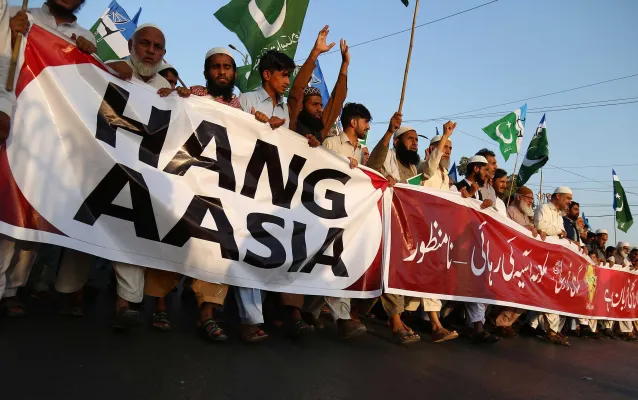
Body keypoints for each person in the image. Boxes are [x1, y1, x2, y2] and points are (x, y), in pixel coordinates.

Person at [54, 23, 172, 330]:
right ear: (132, 44)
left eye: (157, 47)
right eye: (144, 43)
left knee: (132, 235)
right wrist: (105, 70)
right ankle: (73, 295)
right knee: (85, 230)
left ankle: (125, 304)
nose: (150, 51)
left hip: (139, 175)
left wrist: (180, 99)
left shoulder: (167, 89)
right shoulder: (109, 69)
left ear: (163, 53)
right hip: (100, 166)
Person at [0, 0, 98, 318]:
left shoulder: (85, 37)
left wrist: (89, 56)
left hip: (54, 139)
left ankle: (13, 290)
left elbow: (93, 86)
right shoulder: (19, 14)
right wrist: (9, 33)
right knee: (7, 210)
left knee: (33, 218)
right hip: (14, 123)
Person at [141, 47, 247, 342]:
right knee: (173, 240)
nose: (222, 72)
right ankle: (160, 305)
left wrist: (265, 125)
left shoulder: (240, 111)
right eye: (216, 67)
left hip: (218, 190)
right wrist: (171, 97)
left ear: (234, 73)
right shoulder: (193, 95)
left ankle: (207, 314)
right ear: (206, 72)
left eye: (227, 67)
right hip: (185, 183)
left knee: (217, 251)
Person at [362, 111, 421, 344]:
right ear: (397, 142)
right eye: (410, 139)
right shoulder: (388, 156)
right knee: (389, 270)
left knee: (389, 272)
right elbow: (373, 165)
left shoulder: (414, 169)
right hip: (381, 222)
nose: (414, 143)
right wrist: (389, 130)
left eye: (416, 140)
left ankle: (358, 312)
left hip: (402, 227)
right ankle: (396, 322)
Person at [451, 155, 499, 344]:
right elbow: (453, 209)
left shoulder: (480, 193)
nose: (488, 174)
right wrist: (469, 196)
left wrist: (485, 208)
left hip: (472, 247)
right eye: (486, 170)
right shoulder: (457, 186)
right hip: (454, 245)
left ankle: (476, 327)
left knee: (476, 285)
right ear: (476, 169)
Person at [527, 186, 574, 346]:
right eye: (567, 198)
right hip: (541, 257)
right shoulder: (544, 208)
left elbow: (561, 234)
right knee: (548, 293)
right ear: (558, 196)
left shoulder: (559, 215)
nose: (569, 202)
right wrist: (558, 231)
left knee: (549, 293)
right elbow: (541, 226)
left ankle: (532, 325)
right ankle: (551, 331)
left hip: (554, 259)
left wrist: (559, 233)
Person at [289, 30, 349, 144]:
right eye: (315, 104)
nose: (320, 109)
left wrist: (345, 65)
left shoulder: (320, 130)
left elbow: (336, 102)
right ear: (301, 106)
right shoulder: (292, 122)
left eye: (321, 105)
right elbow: (297, 89)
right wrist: (316, 52)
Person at [419, 122, 454, 190]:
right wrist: (445, 136)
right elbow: (430, 168)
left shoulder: (446, 174)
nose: (448, 151)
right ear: (432, 148)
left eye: (450, 148)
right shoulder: (422, 166)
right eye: (444, 147)